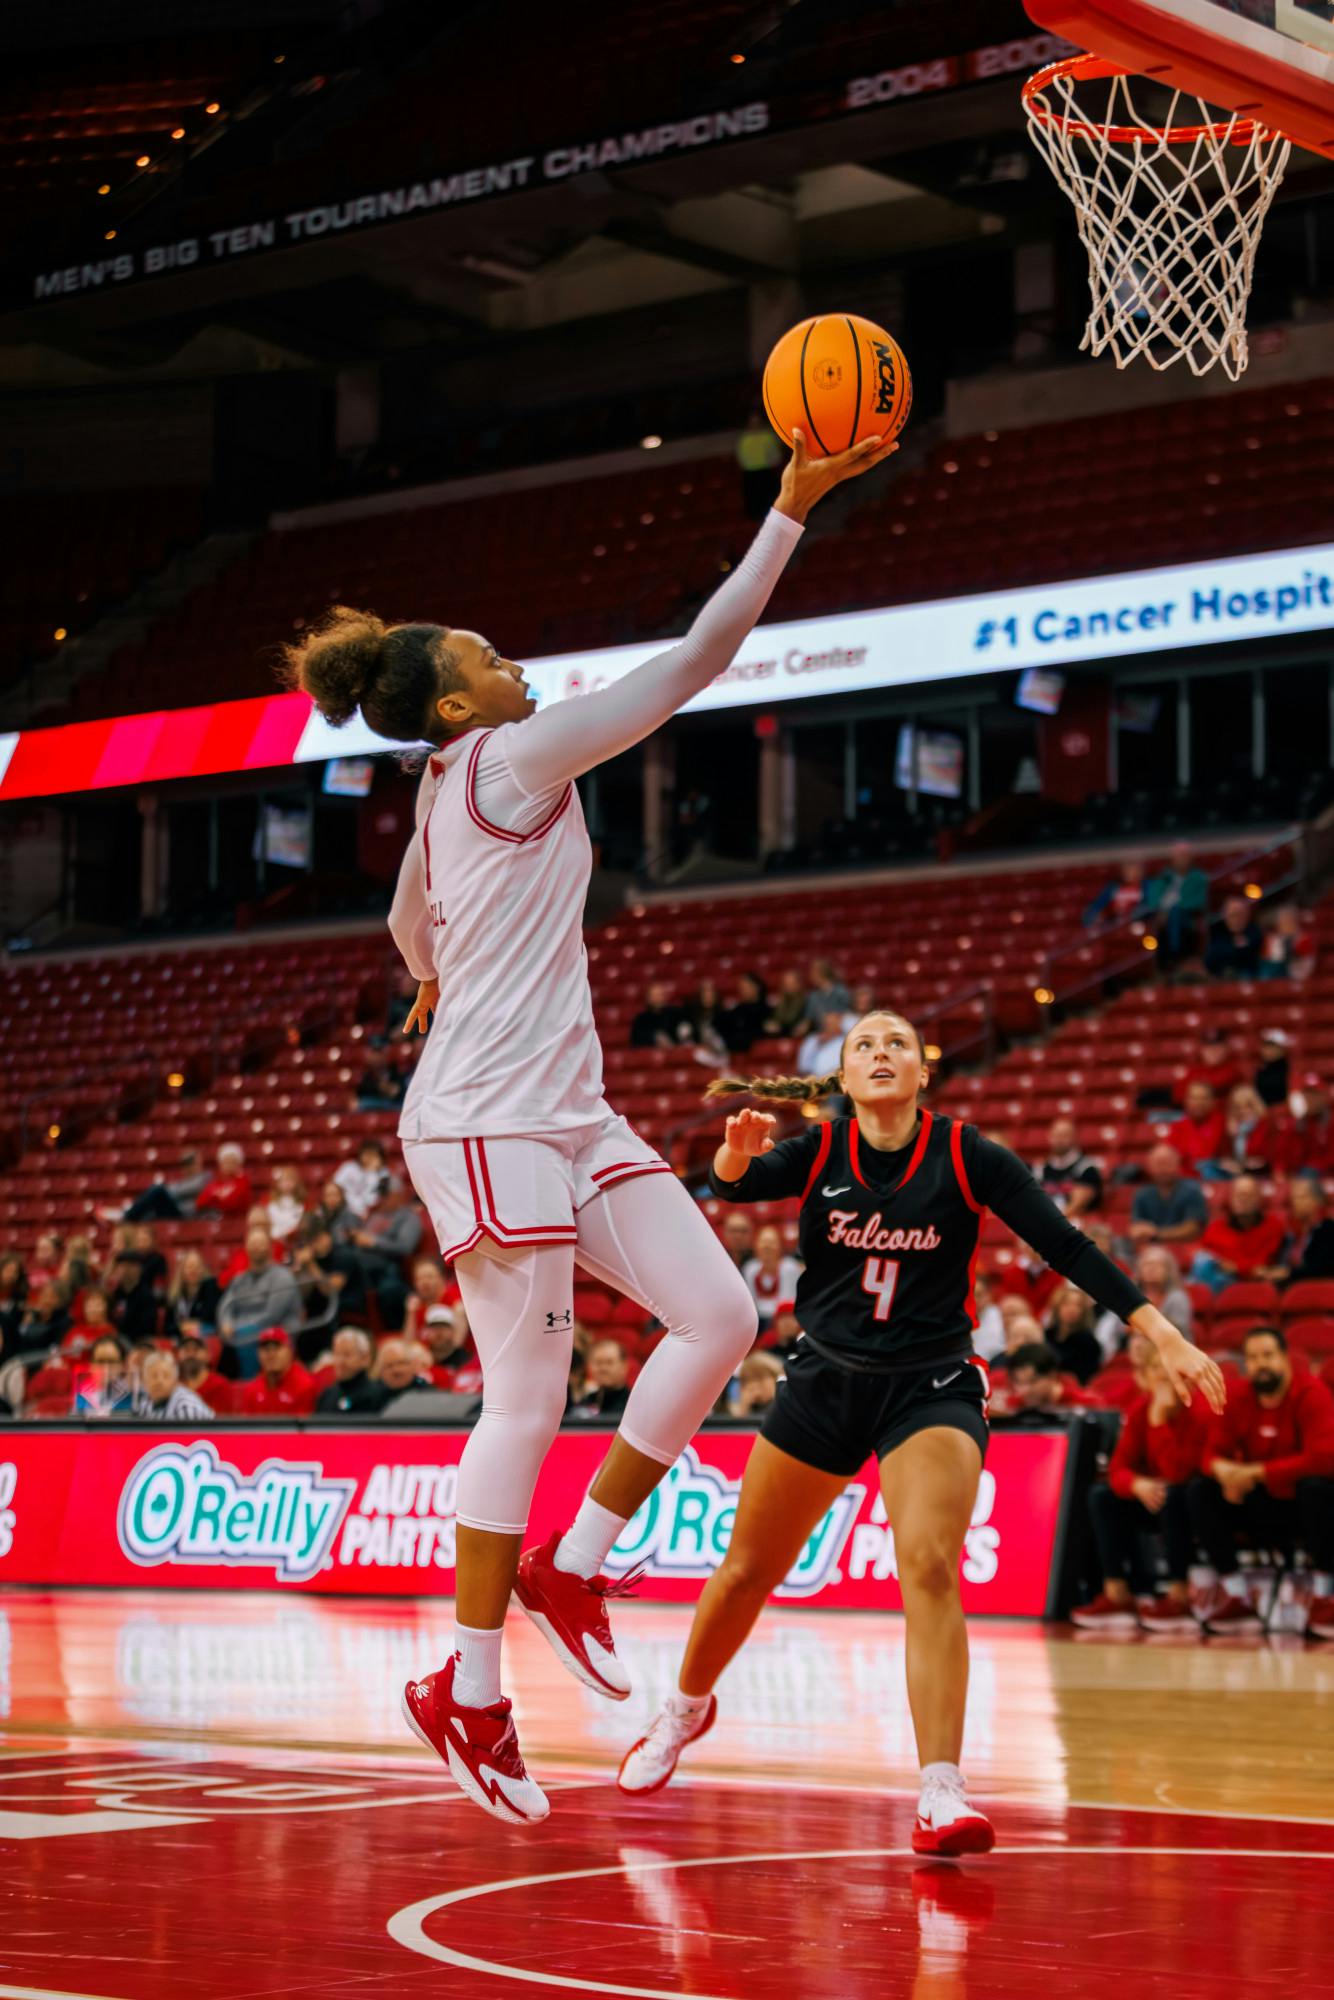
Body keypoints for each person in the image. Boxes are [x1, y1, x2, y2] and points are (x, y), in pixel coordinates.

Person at [287, 421, 899, 1825]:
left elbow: (401, 922)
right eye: (489, 658)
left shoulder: (444, 786)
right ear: (456, 707)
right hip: (490, 1118)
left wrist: (434, 980)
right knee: (526, 1395)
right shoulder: (504, 755)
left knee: (717, 1316)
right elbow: (693, 661)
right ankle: (469, 1690)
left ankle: (580, 1559)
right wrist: (788, 511)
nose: (515, 666)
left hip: (560, 1107)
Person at [615, 1010, 1222, 1853]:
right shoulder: (822, 1150)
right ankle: (683, 1711)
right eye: (865, 1044)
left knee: (930, 1564)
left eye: (896, 1042)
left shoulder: (970, 1155)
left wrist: (1161, 1331)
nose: (881, 1052)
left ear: (921, 1071)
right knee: (748, 1568)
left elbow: (1067, 1247)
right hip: (824, 1378)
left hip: (931, 1384)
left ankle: (942, 1790)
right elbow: (732, 1188)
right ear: (846, 1076)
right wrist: (734, 1152)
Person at [1188, 1327, 1334, 1637]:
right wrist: (1223, 1470)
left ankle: (1325, 1596)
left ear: (1285, 1358)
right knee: (1201, 1491)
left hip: (1305, 1508)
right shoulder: (1239, 1396)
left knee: (1316, 1490)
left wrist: (1255, 1473)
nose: (1261, 1364)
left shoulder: (1312, 1393)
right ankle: (1237, 1595)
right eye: (1253, 1358)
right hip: (1265, 1506)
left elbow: (1324, 1458)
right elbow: (1209, 1454)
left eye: (1268, 1355)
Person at [1072, 1343, 1208, 1633]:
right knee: (1101, 1497)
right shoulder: (1139, 1408)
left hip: (1193, 1506)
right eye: (1155, 1369)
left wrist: (1159, 1421)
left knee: (1175, 1496)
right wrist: (1137, 1484)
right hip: (1152, 1499)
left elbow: (1179, 1472)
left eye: (1167, 1367)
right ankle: (1116, 1593)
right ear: (1144, 1376)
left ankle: (1179, 1596)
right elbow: (1118, 1468)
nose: (1161, 1376)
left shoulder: (1197, 1409)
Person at [217, 1225, 303, 1378]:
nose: (257, 1248)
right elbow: (225, 1306)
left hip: (277, 1332)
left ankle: (247, 1384)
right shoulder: (239, 1279)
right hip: (240, 1332)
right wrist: (226, 1323)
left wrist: (238, 1329)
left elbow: (272, 1315)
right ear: (246, 1248)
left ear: (270, 1247)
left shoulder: (282, 1277)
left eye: (261, 1244)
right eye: (253, 1244)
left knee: (245, 1336)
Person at [1094, 1245, 1193, 1363]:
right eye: (1147, 1264)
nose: (1151, 1268)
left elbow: (1179, 1332)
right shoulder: (1127, 1295)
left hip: (1166, 1352)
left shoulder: (1177, 1298)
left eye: (1158, 1265)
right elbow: (1114, 1329)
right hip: (1126, 1349)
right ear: (1139, 1270)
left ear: (1168, 1271)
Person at [1189, 1175, 1286, 1292]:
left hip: (1256, 1282)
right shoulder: (1215, 1228)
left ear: (1259, 1199)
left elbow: (1262, 1265)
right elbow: (1208, 1260)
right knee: (1201, 1262)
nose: (1242, 1199)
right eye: (1238, 1195)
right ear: (1230, 1199)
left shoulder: (1273, 1226)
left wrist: (1235, 1267)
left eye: (1248, 1195)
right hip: (1219, 1282)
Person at [347, 1182, 422, 1329]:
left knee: (389, 1291)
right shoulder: (375, 1215)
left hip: (389, 1269)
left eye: (386, 1195)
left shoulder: (408, 1217)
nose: (382, 1199)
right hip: (361, 1268)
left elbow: (405, 1247)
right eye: (381, 1195)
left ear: (397, 1195)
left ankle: (395, 1331)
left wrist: (373, 1242)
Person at [1130, 1144, 1208, 1248]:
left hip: (1185, 1249)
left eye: (1167, 1163)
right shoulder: (1142, 1194)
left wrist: (1156, 1234)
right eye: (1159, 1164)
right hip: (1151, 1251)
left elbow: (1192, 1229)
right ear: (1150, 1166)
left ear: (1177, 1164)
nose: (1163, 1169)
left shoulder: (1192, 1190)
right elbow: (1137, 1228)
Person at [1142, 843, 1208, 963]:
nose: (1181, 860)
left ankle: (1175, 956)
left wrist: (1175, 909)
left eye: (1184, 856)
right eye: (1178, 856)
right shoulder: (1164, 876)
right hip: (1161, 915)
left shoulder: (1198, 877)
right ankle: (1152, 964)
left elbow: (1199, 901)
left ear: (1190, 858)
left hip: (1187, 915)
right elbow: (1153, 897)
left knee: (1175, 913)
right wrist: (1160, 910)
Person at [113, 1147, 210, 1223]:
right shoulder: (183, 1181)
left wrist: (169, 1190)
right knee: (148, 1214)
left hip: (186, 1215)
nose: (187, 1167)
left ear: (198, 1161)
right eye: (184, 1164)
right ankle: (125, 1218)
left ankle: (125, 1216)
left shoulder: (205, 1178)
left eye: (189, 1163)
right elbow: (175, 1191)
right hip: (176, 1211)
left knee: (157, 1190)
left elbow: (178, 1192)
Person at [1002, 1341, 1102, 1414]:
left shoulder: (1087, 1405)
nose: (1024, 1390)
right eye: (1018, 1382)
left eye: (1033, 1382)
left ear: (1052, 1375)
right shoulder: (1013, 1406)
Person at [743, 1223, 804, 1342]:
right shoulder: (750, 1268)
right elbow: (750, 1304)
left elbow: (787, 1302)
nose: (767, 1246)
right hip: (758, 1322)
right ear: (756, 1246)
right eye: (763, 1242)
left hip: (782, 1320)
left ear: (780, 1246)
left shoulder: (789, 1268)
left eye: (771, 1242)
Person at [240, 1327, 318, 1415]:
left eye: (277, 1347)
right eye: (265, 1349)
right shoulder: (251, 1390)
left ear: (290, 1351)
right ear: (258, 1354)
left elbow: (302, 1427)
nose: (271, 1354)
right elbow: (246, 1426)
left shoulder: (305, 1386)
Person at [315, 1328, 393, 1414]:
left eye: (347, 1355)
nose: (340, 1361)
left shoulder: (378, 1395)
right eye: (336, 1354)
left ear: (365, 1358)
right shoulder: (327, 1395)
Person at [1037, 1118, 1102, 1216]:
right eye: (1056, 1135)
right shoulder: (1041, 1169)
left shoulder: (1086, 1168)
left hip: (1075, 1224)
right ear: (1049, 1136)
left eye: (1065, 1135)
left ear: (1075, 1137)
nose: (1060, 1140)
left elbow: (1078, 1204)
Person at [1272, 1073, 1334, 1176]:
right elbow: (1282, 1152)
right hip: (1300, 1174)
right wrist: (1279, 1169)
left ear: (1323, 1095)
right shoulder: (1295, 1123)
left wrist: (1316, 1167)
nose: (1311, 1098)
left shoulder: (1330, 1122)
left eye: (1315, 1094)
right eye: (1307, 1094)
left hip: (1325, 1173)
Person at [1273, 1177, 1334, 1283]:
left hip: (1313, 1289)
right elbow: (1280, 1263)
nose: (1295, 1203)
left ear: (1318, 1201)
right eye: (1293, 1198)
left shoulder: (1329, 1230)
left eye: (1301, 1198)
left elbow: (1323, 1269)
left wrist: (1288, 1273)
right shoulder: (1291, 1234)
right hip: (1285, 1287)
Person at [1211, 1081, 1275, 1179]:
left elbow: (1264, 1155)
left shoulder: (1265, 1125)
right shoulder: (1229, 1125)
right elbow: (1221, 1155)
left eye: (1248, 1106)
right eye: (1237, 1107)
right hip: (1234, 1172)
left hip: (1259, 1173)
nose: (1242, 1110)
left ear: (1256, 1105)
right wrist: (1229, 1135)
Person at [1042, 1285, 1103, 1384]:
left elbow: (1087, 1379)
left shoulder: (1089, 1343)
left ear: (1084, 1311)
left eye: (1078, 1305)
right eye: (1066, 1304)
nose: (1072, 1309)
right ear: (1057, 1308)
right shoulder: (1046, 1335)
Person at [133, 1350, 214, 1423]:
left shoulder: (185, 1406)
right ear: (144, 1381)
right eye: (153, 1376)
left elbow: (190, 1438)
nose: (159, 1381)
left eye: (166, 1376)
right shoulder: (145, 1402)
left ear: (175, 1381)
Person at [1172, 1028, 1242, 1109]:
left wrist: (1194, 1086)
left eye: (1217, 1047)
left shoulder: (1232, 1070)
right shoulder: (1194, 1069)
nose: (1213, 1051)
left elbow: (1218, 1084)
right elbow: (1178, 1096)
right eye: (1208, 1048)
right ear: (1201, 1050)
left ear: (1226, 1049)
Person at [735, 407, 783, 519]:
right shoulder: (743, 439)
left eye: (756, 422)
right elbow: (741, 458)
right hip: (750, 474)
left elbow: (775, 456)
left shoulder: (767, 436)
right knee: (754, 505)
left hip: (766, 473)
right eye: (752, 422)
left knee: (770, 503)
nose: (754, 425)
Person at [1168, 1080, 1225, 1176]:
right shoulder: (1178, 1125)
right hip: (1185, 1179)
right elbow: (1172, 1156)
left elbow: (1205, 1155)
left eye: (1203, 1098)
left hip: (1215, 1177)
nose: (1199, 1103)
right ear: (1186, 1101)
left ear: (1212, 1101)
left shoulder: (1221, 1122)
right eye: (1194, 1098)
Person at [164, 1249, 220, 1340]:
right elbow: (167, 1328)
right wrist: (181, 1327)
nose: (193, 1270)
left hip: (206, 1338)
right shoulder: (174, 1294)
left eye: (197, 1267)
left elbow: (213, 1320)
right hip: (179, 1339)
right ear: (181, 1271)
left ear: (203, 1269)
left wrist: (194, 1325)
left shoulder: (212, 1288)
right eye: (189, 1267)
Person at [570, 1337, 632, 1420]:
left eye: (609, 1362)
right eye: (598, 1363)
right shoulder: (586, 1402)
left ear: (624, 1367)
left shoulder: (633, 1404)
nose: (603, 1368)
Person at [334, 1139, 395, 1220]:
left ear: (380, 1157)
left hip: (373, 1215)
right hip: (347, 1210)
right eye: (366, 1154)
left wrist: (372, 1173)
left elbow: (374, 1199)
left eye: (373, 1155)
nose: (369, 1158)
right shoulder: (349, 1168)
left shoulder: (384, 1173)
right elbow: (334, 1187)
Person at [1205, 896, 1263, 980]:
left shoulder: (1254, 932)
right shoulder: (1218, 934)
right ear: (1225, 916)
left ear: (1248, 916)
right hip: (1221, 980)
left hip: (1250, 979)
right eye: (1233, 915)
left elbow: (1250, 956)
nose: (1237, 919)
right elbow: (1211, 960)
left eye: (1241, 915)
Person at [176, 1333, 236, 1415]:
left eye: (196, 1349)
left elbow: (223, 1424)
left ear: (208, 1355)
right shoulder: (172, 1385)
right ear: (178, 1355)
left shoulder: (219, 1385)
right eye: (186, 1349)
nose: (191, 1354)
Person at [194, 1143, 253, 1218]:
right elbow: (200, 1202)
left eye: (232, 1162)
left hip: (237, 1222)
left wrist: (215, 1198)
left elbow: (233, 1203)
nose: (229, 1165)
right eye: (226, 1162)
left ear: (239, 1163)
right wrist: (220, 1199)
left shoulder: (243, 1181)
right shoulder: (216, 1182)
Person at [717, 973, 768, 1056]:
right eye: (741, 988)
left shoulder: (766, 1010)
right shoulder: (736, 1010)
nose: (742, 991)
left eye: (746, 987)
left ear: (757, 987)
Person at [630, 982, 685, 1051]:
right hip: (651, 1056)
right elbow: (636, 1043)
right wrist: (654, 1038)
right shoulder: (641, 1019)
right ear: (648, 998)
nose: (658, 999)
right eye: (654, 995)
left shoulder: (676, 1014)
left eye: (660, 995)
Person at [802, 958, 852, 1033]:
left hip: (840, 1033)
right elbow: (808, 1020)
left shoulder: (841, 993)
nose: (811, 977)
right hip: (820, 1034)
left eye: (813, 973)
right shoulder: (813, 996)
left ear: (822, 973)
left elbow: (847, 1016)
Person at [796, 1008, 847, 1080]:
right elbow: (803, 1068)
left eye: (832, 1023)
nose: (829, 1026)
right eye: (827, 1023)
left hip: (837, 1082)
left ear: (840, 1021)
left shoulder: (845, 1041)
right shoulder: (811, 1040)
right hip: (814, 1083)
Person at [734, 1351, 782, 1418]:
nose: (754, 1385)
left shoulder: (786, 1404)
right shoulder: (752, 1408)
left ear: (776, 1377)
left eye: (760, 1378)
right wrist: (744, 1406)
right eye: (747, 1380)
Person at [266, 1165, 307, 1244]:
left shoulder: (301, 1204)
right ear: (278, 1183)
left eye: (290, 1180)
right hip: (275, 1239)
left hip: (295, 1240)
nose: (287, 1184)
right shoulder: (271, 1203)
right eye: (284, 1181)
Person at [763, 968, 808, 1039]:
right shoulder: (777, 1003)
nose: (788, 986)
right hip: (777, 1037)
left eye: (791, 983)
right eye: (785, 983)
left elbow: (799, 1026)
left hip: (795, 1038)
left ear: (798, 984)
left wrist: (780, 1028)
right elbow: (770, 1022)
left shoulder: (806, 1003)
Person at [1253, 1027, 1291, 1109]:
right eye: (1266, 1046)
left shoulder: (1290, 1070)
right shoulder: (1261, 1070)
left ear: (1282, 1049)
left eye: (1272, 1047)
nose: (1268, 1051)